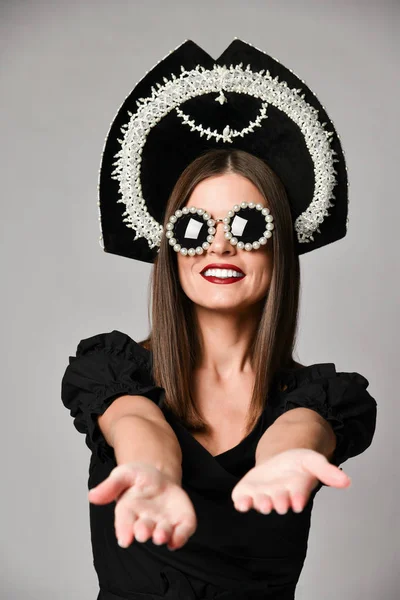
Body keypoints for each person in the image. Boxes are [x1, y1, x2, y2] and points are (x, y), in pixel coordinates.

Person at [61, 39, 377, 600]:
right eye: (195, 227)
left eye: (247, 225)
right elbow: (139, 425)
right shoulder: (114, 373)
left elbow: (296, 431)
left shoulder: (320, 398)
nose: (220, 247)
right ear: (171, 250)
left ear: (277, 246)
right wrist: (152, 471)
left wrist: (291, 458)